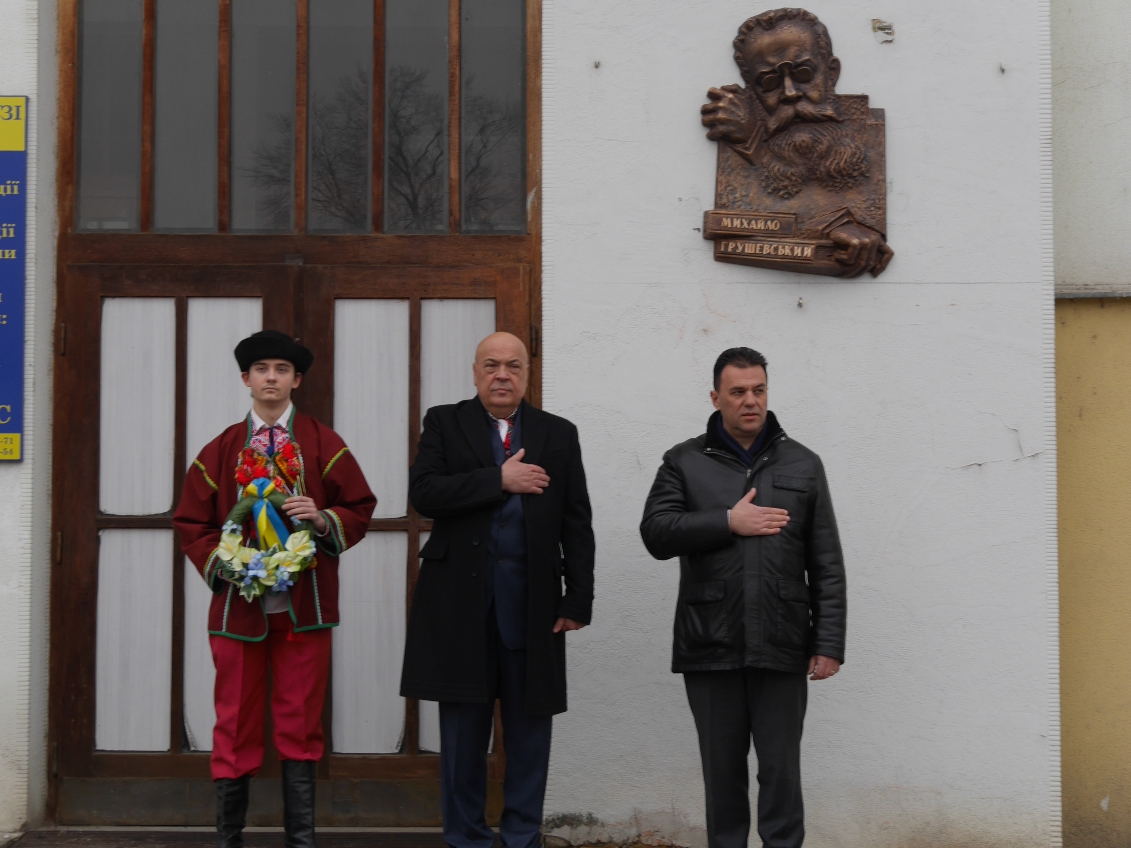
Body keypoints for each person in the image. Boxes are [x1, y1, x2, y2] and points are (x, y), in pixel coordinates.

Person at [174, 330, 376, 848]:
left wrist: (323, 517)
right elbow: (191, 522)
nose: (271, 378)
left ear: (297, 380)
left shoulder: (324, 443)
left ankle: (300, 841)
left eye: (282, 370)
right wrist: (225, 562)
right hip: (237, 608)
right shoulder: (220, 448)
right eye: (261, 369)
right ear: (246, 379)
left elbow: (360, 506)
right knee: (234, 722)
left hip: (304, 607)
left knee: (301, 722)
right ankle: (229, 840)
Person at [640, 347, 846, 848]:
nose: (750, 400)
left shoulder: (804, 463)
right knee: (722, 776)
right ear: (716, 398)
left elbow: (826, 561)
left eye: (759, 390)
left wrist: (828, 643)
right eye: (738, 392)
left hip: (782, 641)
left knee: (781, 774)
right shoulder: (683, 461)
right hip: (711, 643)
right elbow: (657, 533)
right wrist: (727, 521)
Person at [400, 331, 595, 848]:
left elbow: (576, 520)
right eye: (491, 365)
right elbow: (424, 492)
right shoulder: (445, 422)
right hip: (460, 607)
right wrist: (498, 480)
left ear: (527, 374)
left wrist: (578, 597)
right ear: (475, 372)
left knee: (531, 734)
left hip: (533, 606)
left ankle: (522, 836)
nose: (502, 375)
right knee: (462, 736)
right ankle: (466, 837)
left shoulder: (558, 433)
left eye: (513, 365)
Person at [700, 8, 893, 277]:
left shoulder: (864, 133)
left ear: (832, 73)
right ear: (752, 92)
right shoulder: (744, 135)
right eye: (770, 82)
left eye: (803, 73)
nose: (790, 93)